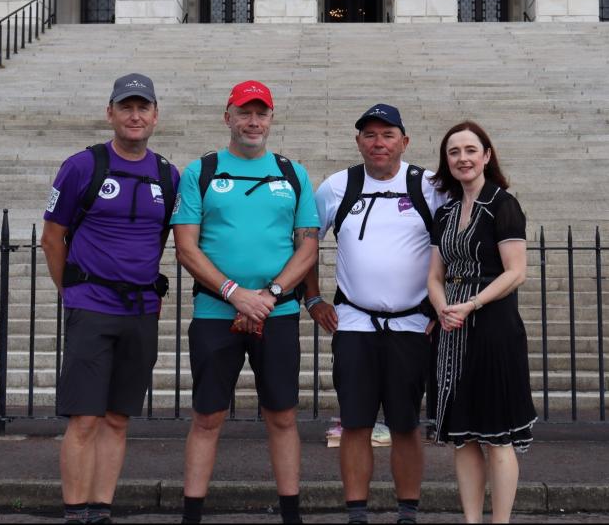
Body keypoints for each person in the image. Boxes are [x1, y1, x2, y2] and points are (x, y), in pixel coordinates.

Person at [171, 80, 320, 525]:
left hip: (279, 313)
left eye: (261, 113)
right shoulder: (202, 170)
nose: (253, 122)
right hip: (216, 313)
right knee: (207, 417)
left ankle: (290, 514)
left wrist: (270, 295)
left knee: (282, 416)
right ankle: (191, 514)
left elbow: (308, 247)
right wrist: (236, 294)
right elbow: (186, 248)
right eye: (244, 112)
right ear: (228, 117)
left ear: (271, 119)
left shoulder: (294, 172)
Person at [41, 73, 180, 525]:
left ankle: (101, 509)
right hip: (92, 306)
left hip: (141, 310)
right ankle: (74, 510)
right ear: (111, 113)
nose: (135, 115)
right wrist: (72, 292)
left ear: (155, 116)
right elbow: (52, 236)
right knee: (84, 419)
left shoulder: (168, 174)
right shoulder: (82, 166)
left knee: (119, 419)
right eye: (126, 107)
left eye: (143, 108)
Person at [304, 104, 447, 525]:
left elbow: (454, 249)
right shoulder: (337, 186)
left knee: (405, 424)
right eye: (369, 135)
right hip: (354, 323)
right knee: (355, 422)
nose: (378, 143)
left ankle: (407, 511)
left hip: (412, 323)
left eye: (387, 135)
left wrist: (444, 304)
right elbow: (307, 243)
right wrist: (313, 299)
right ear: (358, 142)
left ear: (404, 141)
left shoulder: (429, 186)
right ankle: (356, 514)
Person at [427, 121, 537, 524]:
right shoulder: (446, 211)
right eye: (454, 152)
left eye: (470, 150)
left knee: (498, 436)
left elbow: (516, 272)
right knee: (464, 437)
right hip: (453, 329)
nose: (462, 158)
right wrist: (442, 307)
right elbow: (434, 276)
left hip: (493, 327)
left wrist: (471, 304)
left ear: (486, 156)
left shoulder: (502, 204)